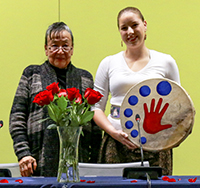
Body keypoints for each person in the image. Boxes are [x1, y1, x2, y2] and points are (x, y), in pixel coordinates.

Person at [92, 7, 180, 175]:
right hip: (116, 143)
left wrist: (173, 135)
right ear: (119, 31)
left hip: (156, 145)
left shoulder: (166, 62)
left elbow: (177, 106)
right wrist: (113, 132)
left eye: (134, 25)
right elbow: (96, 108)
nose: (130, 32)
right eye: (124, 28)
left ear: (145, 25)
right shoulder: (108, 63)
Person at [9, 22, 102, 177]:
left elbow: (95, 127)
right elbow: (17, 118)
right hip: (37, 163)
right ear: (46, 49)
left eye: (65, 46)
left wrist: (94, 164)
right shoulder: (32, 74)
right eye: (54, 46)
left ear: (72, 49)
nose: (60, 51)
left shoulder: (85, 78)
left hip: (79, 165)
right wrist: (23, 153)